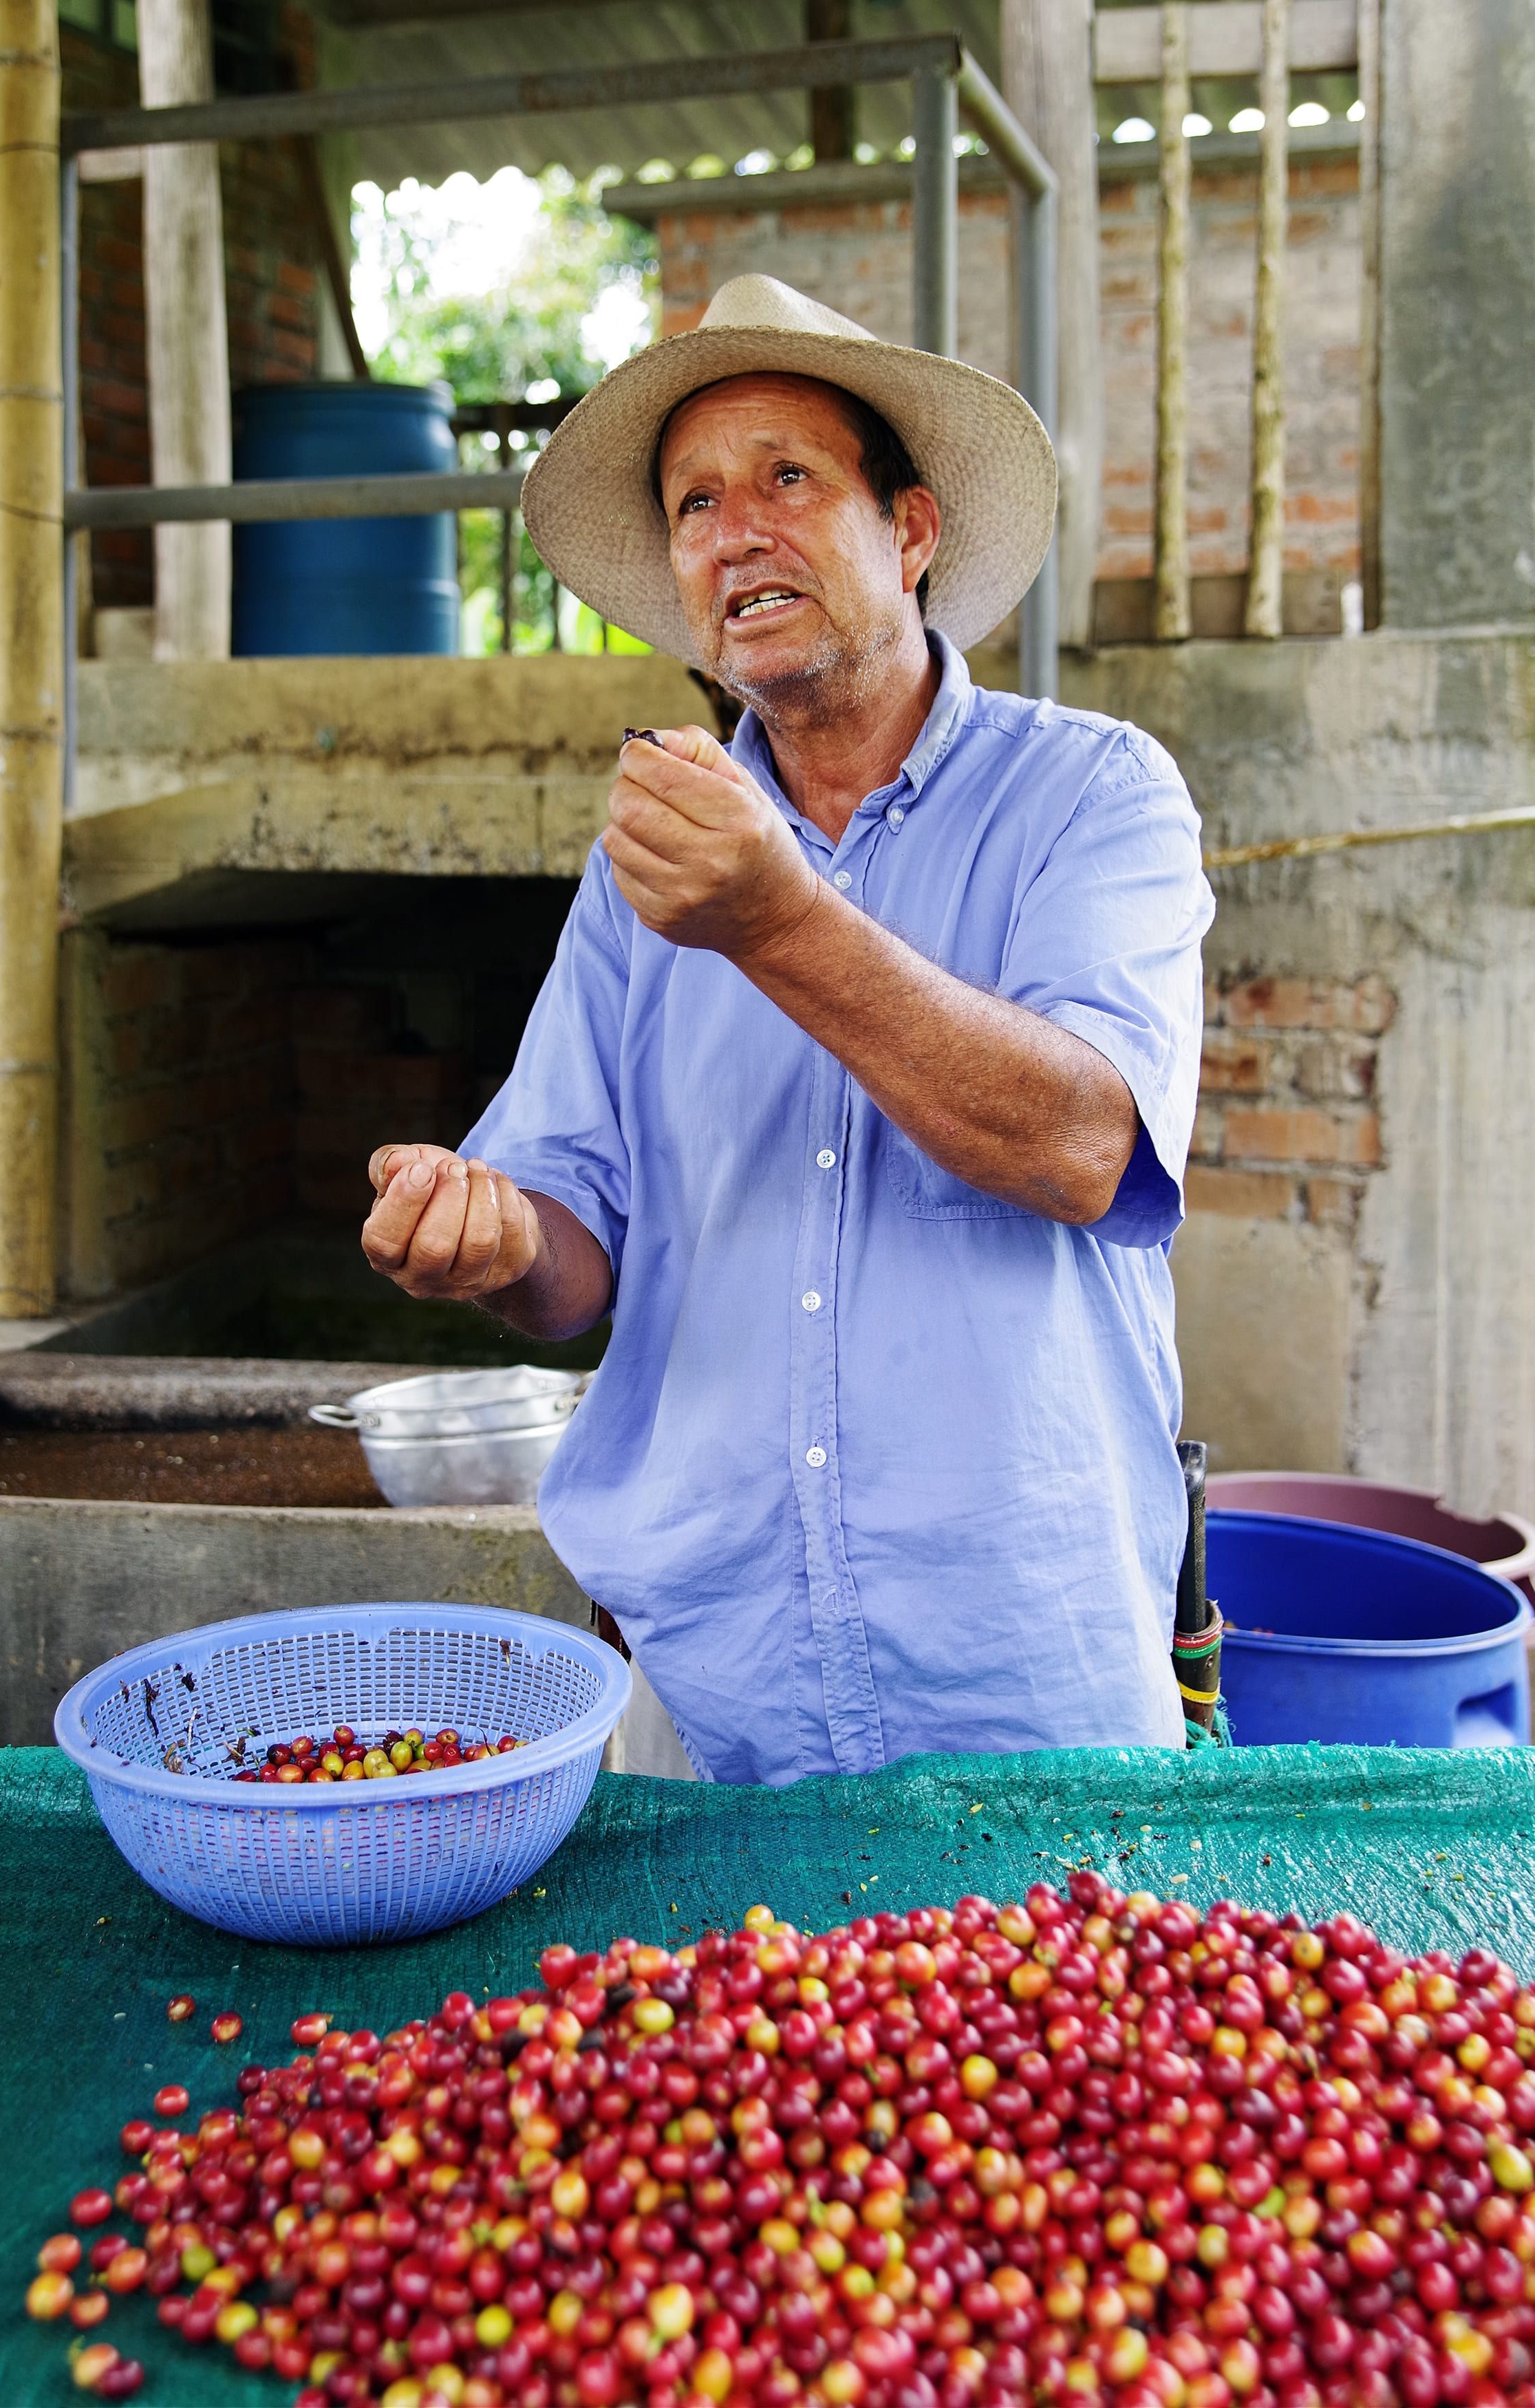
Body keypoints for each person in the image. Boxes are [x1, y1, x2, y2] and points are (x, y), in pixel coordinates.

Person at [362, 275, 1214, 1785]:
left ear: (911, 530)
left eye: (786, 478)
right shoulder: (644, 868)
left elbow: (1086, 1145)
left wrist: (774, 919)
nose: (732, 529)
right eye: (693, 503)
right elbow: (574, 1261)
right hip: (707, 1683)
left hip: (1024, 1679)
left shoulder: (1093, 793)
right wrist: (492, 1241)